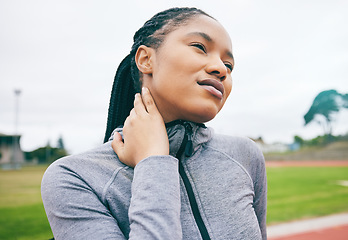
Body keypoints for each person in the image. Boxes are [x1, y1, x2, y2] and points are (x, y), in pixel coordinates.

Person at [41, 7, 267, 240]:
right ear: (146, 59)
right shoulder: (73, 177)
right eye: (200, 47)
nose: (221, 69)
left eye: (228, 65)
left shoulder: (245, 155)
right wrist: (153, 161)